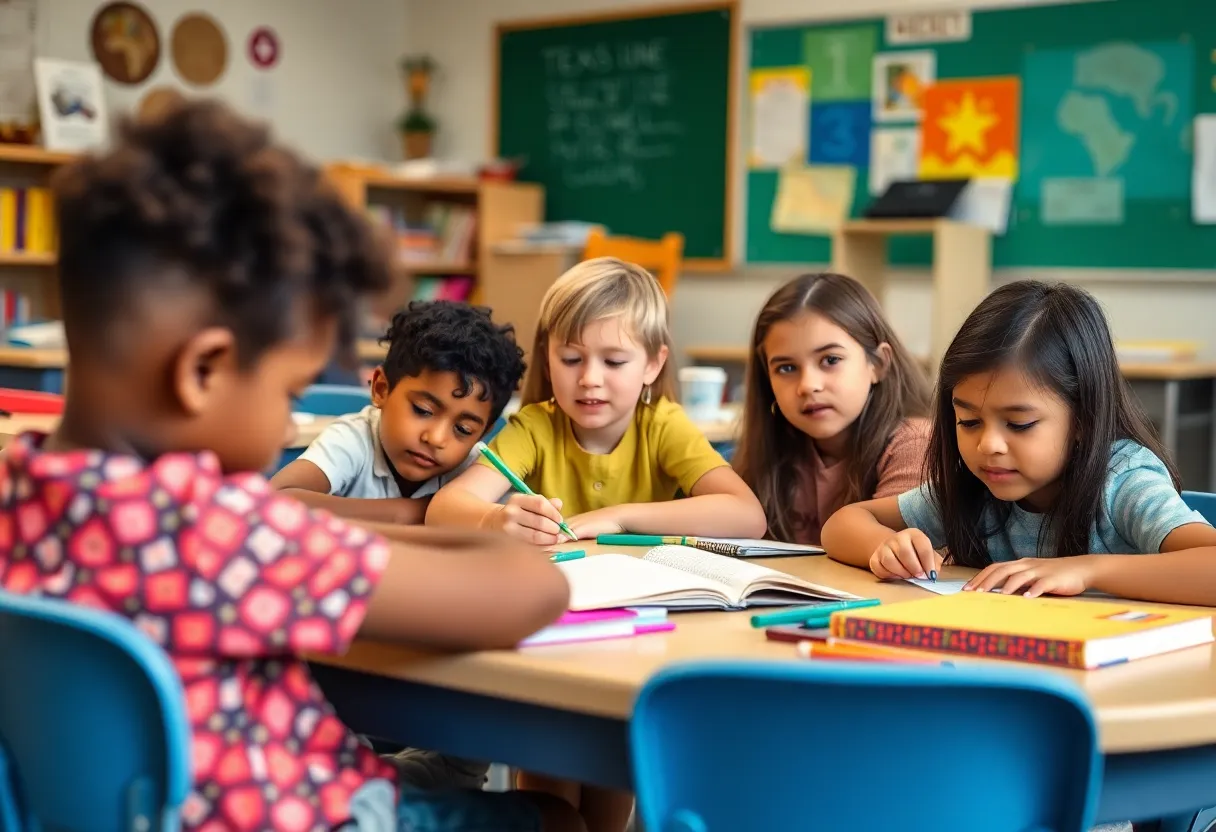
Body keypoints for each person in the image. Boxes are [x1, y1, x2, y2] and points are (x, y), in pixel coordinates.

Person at [0, 98, 582, 832]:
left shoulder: (16, 495)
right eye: (286, 390)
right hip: (305, 816)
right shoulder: (222, 530)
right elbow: (531, 589)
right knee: (556, 819)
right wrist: (461, 525)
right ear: (204, 370)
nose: (285, 422)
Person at [822, 280, 1216, 605]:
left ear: (1083, 418)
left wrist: (1087, 568)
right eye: (969, 421)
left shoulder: (1123, 482)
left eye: (1020, 424)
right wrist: (886, 546)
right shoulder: (975, 489)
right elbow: (843, 524)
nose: (989, 444)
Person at [732, 273, 931, 544]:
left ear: (878, 364)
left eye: (830, 359)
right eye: (786, 368)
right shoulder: (773, 445)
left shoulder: (915, 444)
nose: (808, 385)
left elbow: (898, 559)